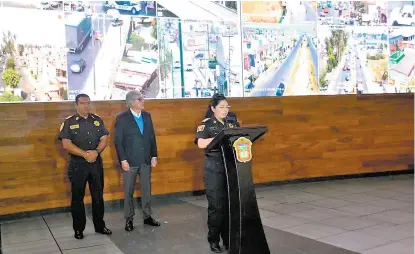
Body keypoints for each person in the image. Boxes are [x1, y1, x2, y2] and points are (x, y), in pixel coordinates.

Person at [58, 94, 112, 240]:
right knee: (77, 198)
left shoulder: (97, 120)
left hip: (95, 163)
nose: (86, 106)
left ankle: (100, 226)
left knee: (98, 197)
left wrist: (96, 152)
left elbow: (104, 138)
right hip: (77, 165)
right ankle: (78, 229)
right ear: (76, 105)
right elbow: (66, 144)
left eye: (88, 103)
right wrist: (84, 154)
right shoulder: (69, 122)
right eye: (82, 103)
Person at [194, 93, 240, 253]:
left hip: (230, 169)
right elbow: (200, 143)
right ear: (213, 108)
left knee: (229, 207)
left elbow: (240, 139)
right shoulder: (206, 124)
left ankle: (228, 239)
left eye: (227, 107)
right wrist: (219, 138)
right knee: (216, 207)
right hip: (214, 170)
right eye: (221, 107)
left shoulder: (232, 121)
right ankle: (213, 240)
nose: (225, 110)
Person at [114, 90, 160, 232]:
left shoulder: (147, 116)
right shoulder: (122, 118)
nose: (143, 101)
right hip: (130, 161)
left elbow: (152, 137)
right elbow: (118, 141)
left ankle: (147, 216)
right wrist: (123, 160)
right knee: (128, 191)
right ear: (132, 102)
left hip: (146, 160)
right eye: (140, 99)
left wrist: (154, 155)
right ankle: (129, 219)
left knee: (147, 190)